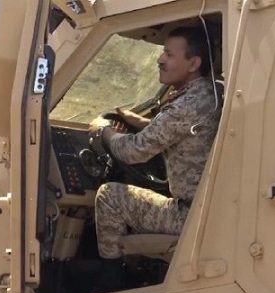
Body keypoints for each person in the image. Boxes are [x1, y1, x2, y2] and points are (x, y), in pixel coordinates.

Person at [90, 26, 221, 261]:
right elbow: (176, 130)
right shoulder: (209, 93)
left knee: (109, 196)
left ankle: (111, 272)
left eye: (169, 54)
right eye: (163, 52)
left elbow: (133, 151)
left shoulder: (185, 105)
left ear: (193, 64)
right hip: (210, 210)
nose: (160, 59)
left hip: (190, 215)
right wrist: (140, 122)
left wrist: (103, 131)